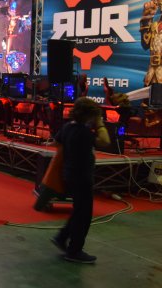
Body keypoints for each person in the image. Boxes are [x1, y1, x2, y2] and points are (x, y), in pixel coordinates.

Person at [51, 97, 110, 264]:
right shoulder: (84, 132)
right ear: (89, 115)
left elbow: (56, 142)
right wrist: (99, 124)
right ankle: (74, 251)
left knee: (79, 210)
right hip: (82, 176)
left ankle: (62, 237)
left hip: (69, 173)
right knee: (84, 215)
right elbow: (105, 141)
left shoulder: (68, 127)